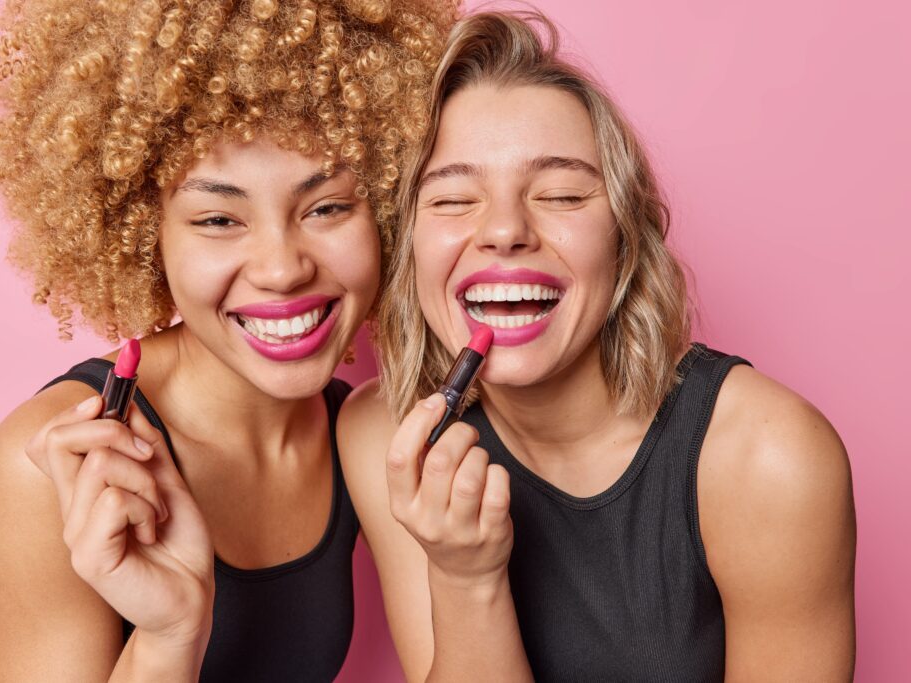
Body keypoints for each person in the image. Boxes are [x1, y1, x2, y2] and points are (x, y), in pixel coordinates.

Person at [339, 11, 857, 682]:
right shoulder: (385, 435)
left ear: (626, 239)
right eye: (453, 199)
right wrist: (465, 576)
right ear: (407, 246)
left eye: (560, 194)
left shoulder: (770, 459)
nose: (505, 229)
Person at [0, 0, 455, 679]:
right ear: (146, 233)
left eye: (327, 207)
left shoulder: (364, 432)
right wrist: (169, 635)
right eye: (219, 219)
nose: (282, 269)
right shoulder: (55, 467)